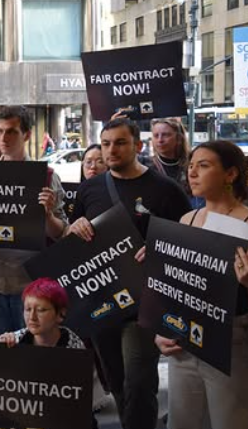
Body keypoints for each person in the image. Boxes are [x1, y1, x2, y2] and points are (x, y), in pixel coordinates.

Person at [67, 117, 191, 429]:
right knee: (118, 383)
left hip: (145, 304)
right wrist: (74, 227)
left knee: (139, 380)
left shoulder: (166, 190)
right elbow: (73, 237)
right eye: (106, 143)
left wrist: (161, 248)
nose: (111, 150)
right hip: (102, 302)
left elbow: (190, 240)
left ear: (137, 145)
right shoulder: (89, 189)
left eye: (120, 143)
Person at [145, 140, 248, 429]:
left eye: (203, 166)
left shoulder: (246, 223)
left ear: (231, 175)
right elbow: (176, 287)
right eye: (191, 165)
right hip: (184, 342)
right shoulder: (187, 218)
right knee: (181, 422)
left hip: (233, 343)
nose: (192, 172)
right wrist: (162, 329)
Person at [0, 106, 68, 339]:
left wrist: (47, 216)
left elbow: (61, 233)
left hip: (32, 284)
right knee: (2, 350)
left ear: (27, 135)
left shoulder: (46, 177)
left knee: (33, 352)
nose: (4, 138)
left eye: (11, 132)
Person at [0, 277, 97, 429]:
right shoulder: (15, 341)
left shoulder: (75, 349)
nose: (32, 318)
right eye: (27, 309)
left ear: (60, 315)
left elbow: (79, 404)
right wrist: (0, 351)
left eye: (41, 310)